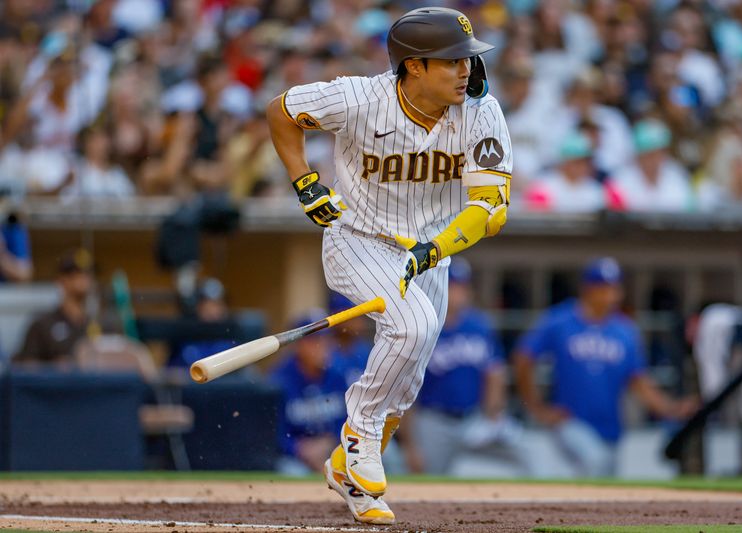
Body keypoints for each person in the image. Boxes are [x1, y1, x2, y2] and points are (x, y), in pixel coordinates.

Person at [266, 6, 512, 525]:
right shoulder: (358, 98)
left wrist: (436, 249)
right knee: (413, 324)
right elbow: (281, 110)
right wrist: (305, 182)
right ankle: (357, 435)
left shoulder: (481, 111)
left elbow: (490, 209)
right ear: (414, 66)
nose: (466, 69)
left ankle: (347, 476)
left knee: (406, 382)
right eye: (451, 61)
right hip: (359, 238)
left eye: (468, 58)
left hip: (432, 251)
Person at [512, 257, 696, 477]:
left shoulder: (624, 331)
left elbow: (638, 381)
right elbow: (523, 357)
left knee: (604, 481)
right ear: (588, 289)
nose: (611, 295)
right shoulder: (561, 321)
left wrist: (670, 408)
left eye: (615, 288)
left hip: (610, 426)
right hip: (571, 420)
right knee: (596, 462)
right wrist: (536, 406)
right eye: (603, 288)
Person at [405, 257, 529, 476]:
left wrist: (493, 413)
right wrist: (410, 444)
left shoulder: (479, 326)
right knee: (428, 481)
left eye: (462, 286)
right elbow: (405, 388)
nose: (459, 293)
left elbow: (495, 372)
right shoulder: (423, 326)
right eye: (453, 286)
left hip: (473, 420)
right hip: (434, 420)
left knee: (481, 481)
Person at [267, 311, 348, 476]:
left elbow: (349, 421)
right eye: (315, 341)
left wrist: (331, 441)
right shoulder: (277, 381)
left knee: (387, 455)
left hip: (334, 449)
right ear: (299, 344)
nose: (323, 346)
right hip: (295, 457)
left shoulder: (338, 376)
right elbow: (271, 434)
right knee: (292, 472)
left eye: (327, 340)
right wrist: (299, 449)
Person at [15, 249, 95, 366]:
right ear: (61, 280)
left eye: (87, 274)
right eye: (76, 274)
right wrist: (53, 368)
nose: (84, 279)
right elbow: (26, 368)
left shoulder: (97, 324)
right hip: (56, 384)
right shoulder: (42, 324)